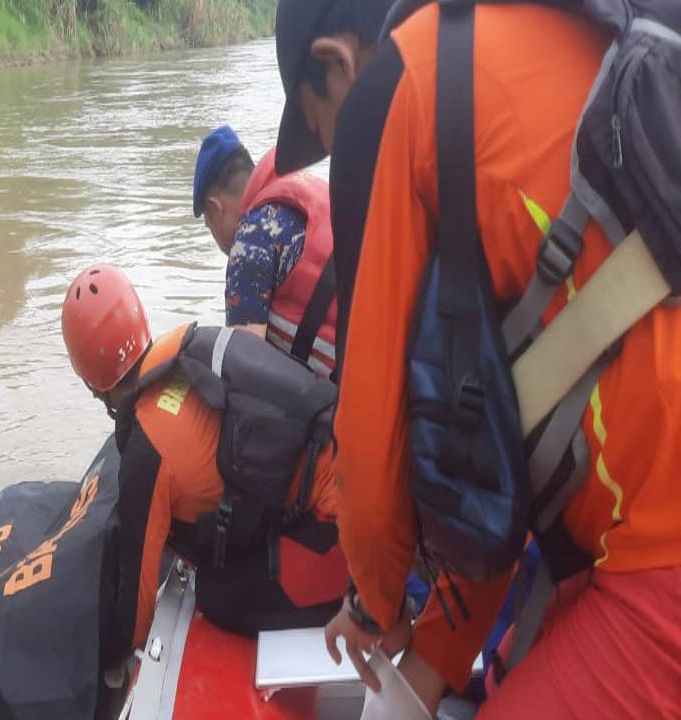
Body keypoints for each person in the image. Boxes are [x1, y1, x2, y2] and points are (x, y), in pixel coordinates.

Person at [272, 0, 681, 716]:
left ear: (337, 62)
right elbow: (501, 464)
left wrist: (373, 605)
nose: (341, 160)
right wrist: (428, 663)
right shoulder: (528, 43)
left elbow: (367, 440)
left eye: (323, 126)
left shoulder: (398, 91)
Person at [61, 263, 348, 668]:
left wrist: (113, 664)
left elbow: (136, 612)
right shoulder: (187, 350)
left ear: (90, 382)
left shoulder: (146, 453)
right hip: (354, 466)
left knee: (214, 592)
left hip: (349, 541)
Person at [192, 127, 338, 376]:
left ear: (215, 207)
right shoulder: (300, 188)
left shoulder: (250, 241)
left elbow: (245, 372)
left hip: (357, 385)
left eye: (209, 225)